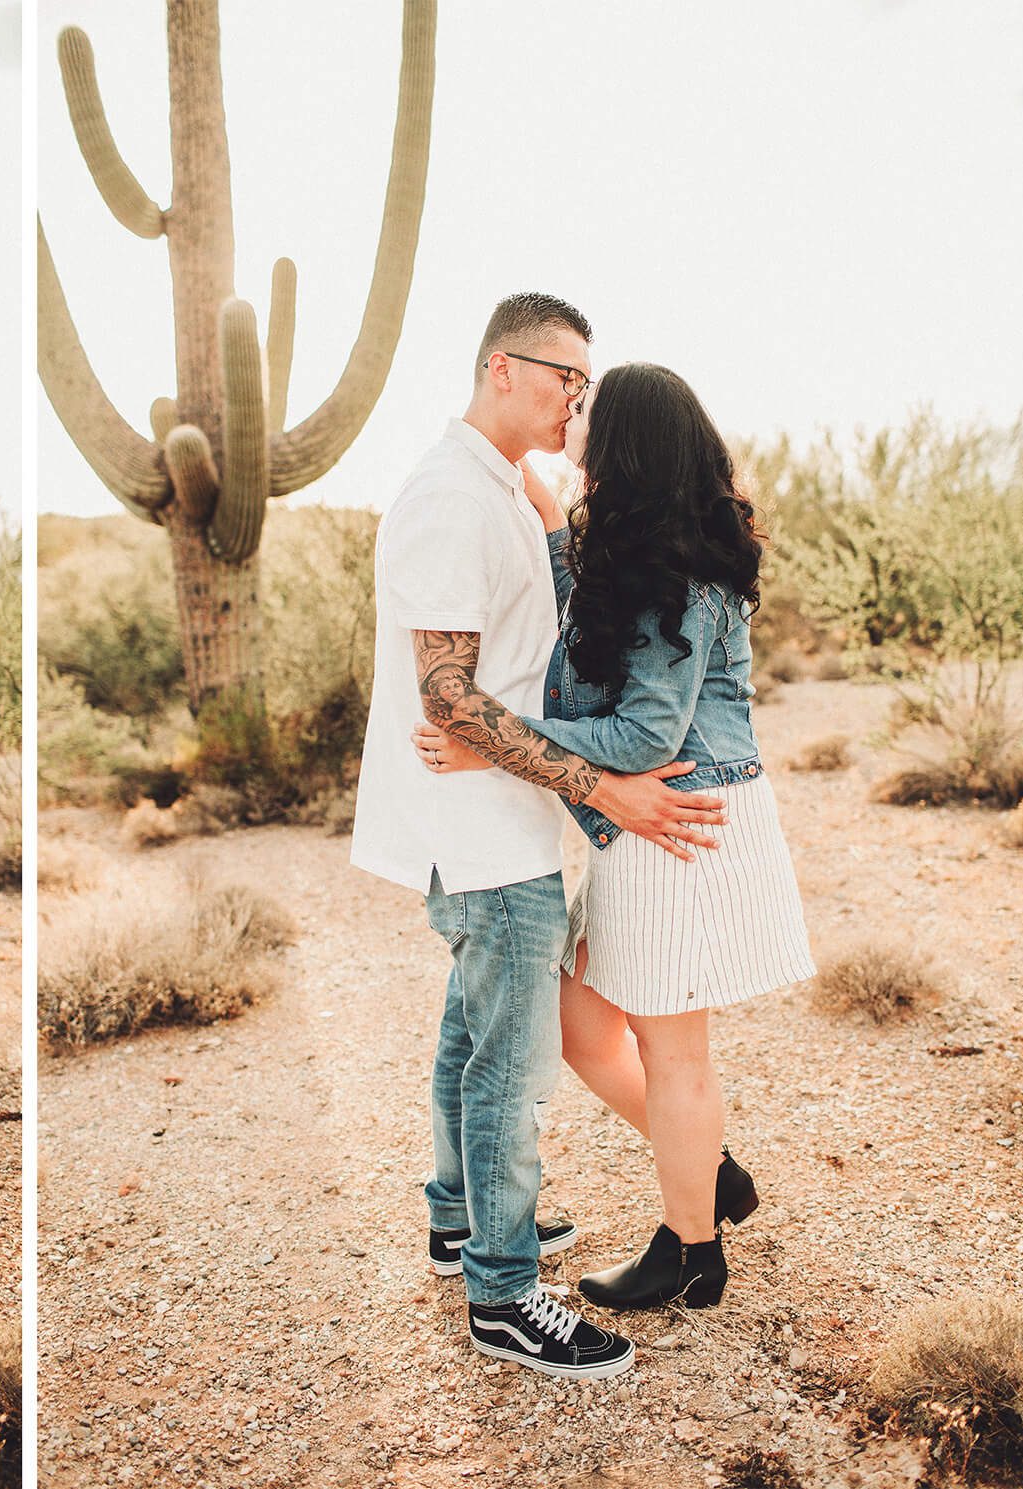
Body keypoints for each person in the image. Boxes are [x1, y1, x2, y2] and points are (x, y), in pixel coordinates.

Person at [350, 293, 730, 1382]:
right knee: (507, 1060)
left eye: (583, 382)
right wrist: (604, 791)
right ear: (501, 368)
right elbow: (448, 701)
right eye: (565, 377)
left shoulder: (492, 488)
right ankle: (504, 1294)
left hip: (499, 820)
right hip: (478, 833)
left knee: (473, 1035)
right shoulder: (446, 502)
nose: (577, 398)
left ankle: (455, 1222)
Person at [413, 362, 815, 1311]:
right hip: (645, 826)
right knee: (583, 1021)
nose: (572, 409)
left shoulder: (676, 574)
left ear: (626, 439)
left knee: (674, 1051)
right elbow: (589, 636)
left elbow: (642, 736)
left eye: (589, 404)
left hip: (682, 822)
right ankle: (709, 1172)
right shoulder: (642, 552)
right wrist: (556, 525)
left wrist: (492, 751)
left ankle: (691, 1249)